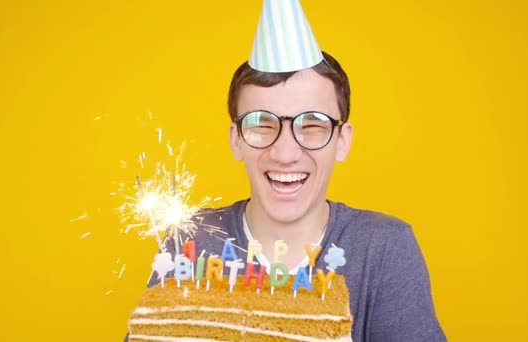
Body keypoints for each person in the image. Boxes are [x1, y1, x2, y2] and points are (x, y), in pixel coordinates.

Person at [131, 1, 446, 341]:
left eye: (312, 124)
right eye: (261, 123)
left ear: (342, 140)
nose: (284, 153)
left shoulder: (383, 248)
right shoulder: (190, 243)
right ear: (236, 139)